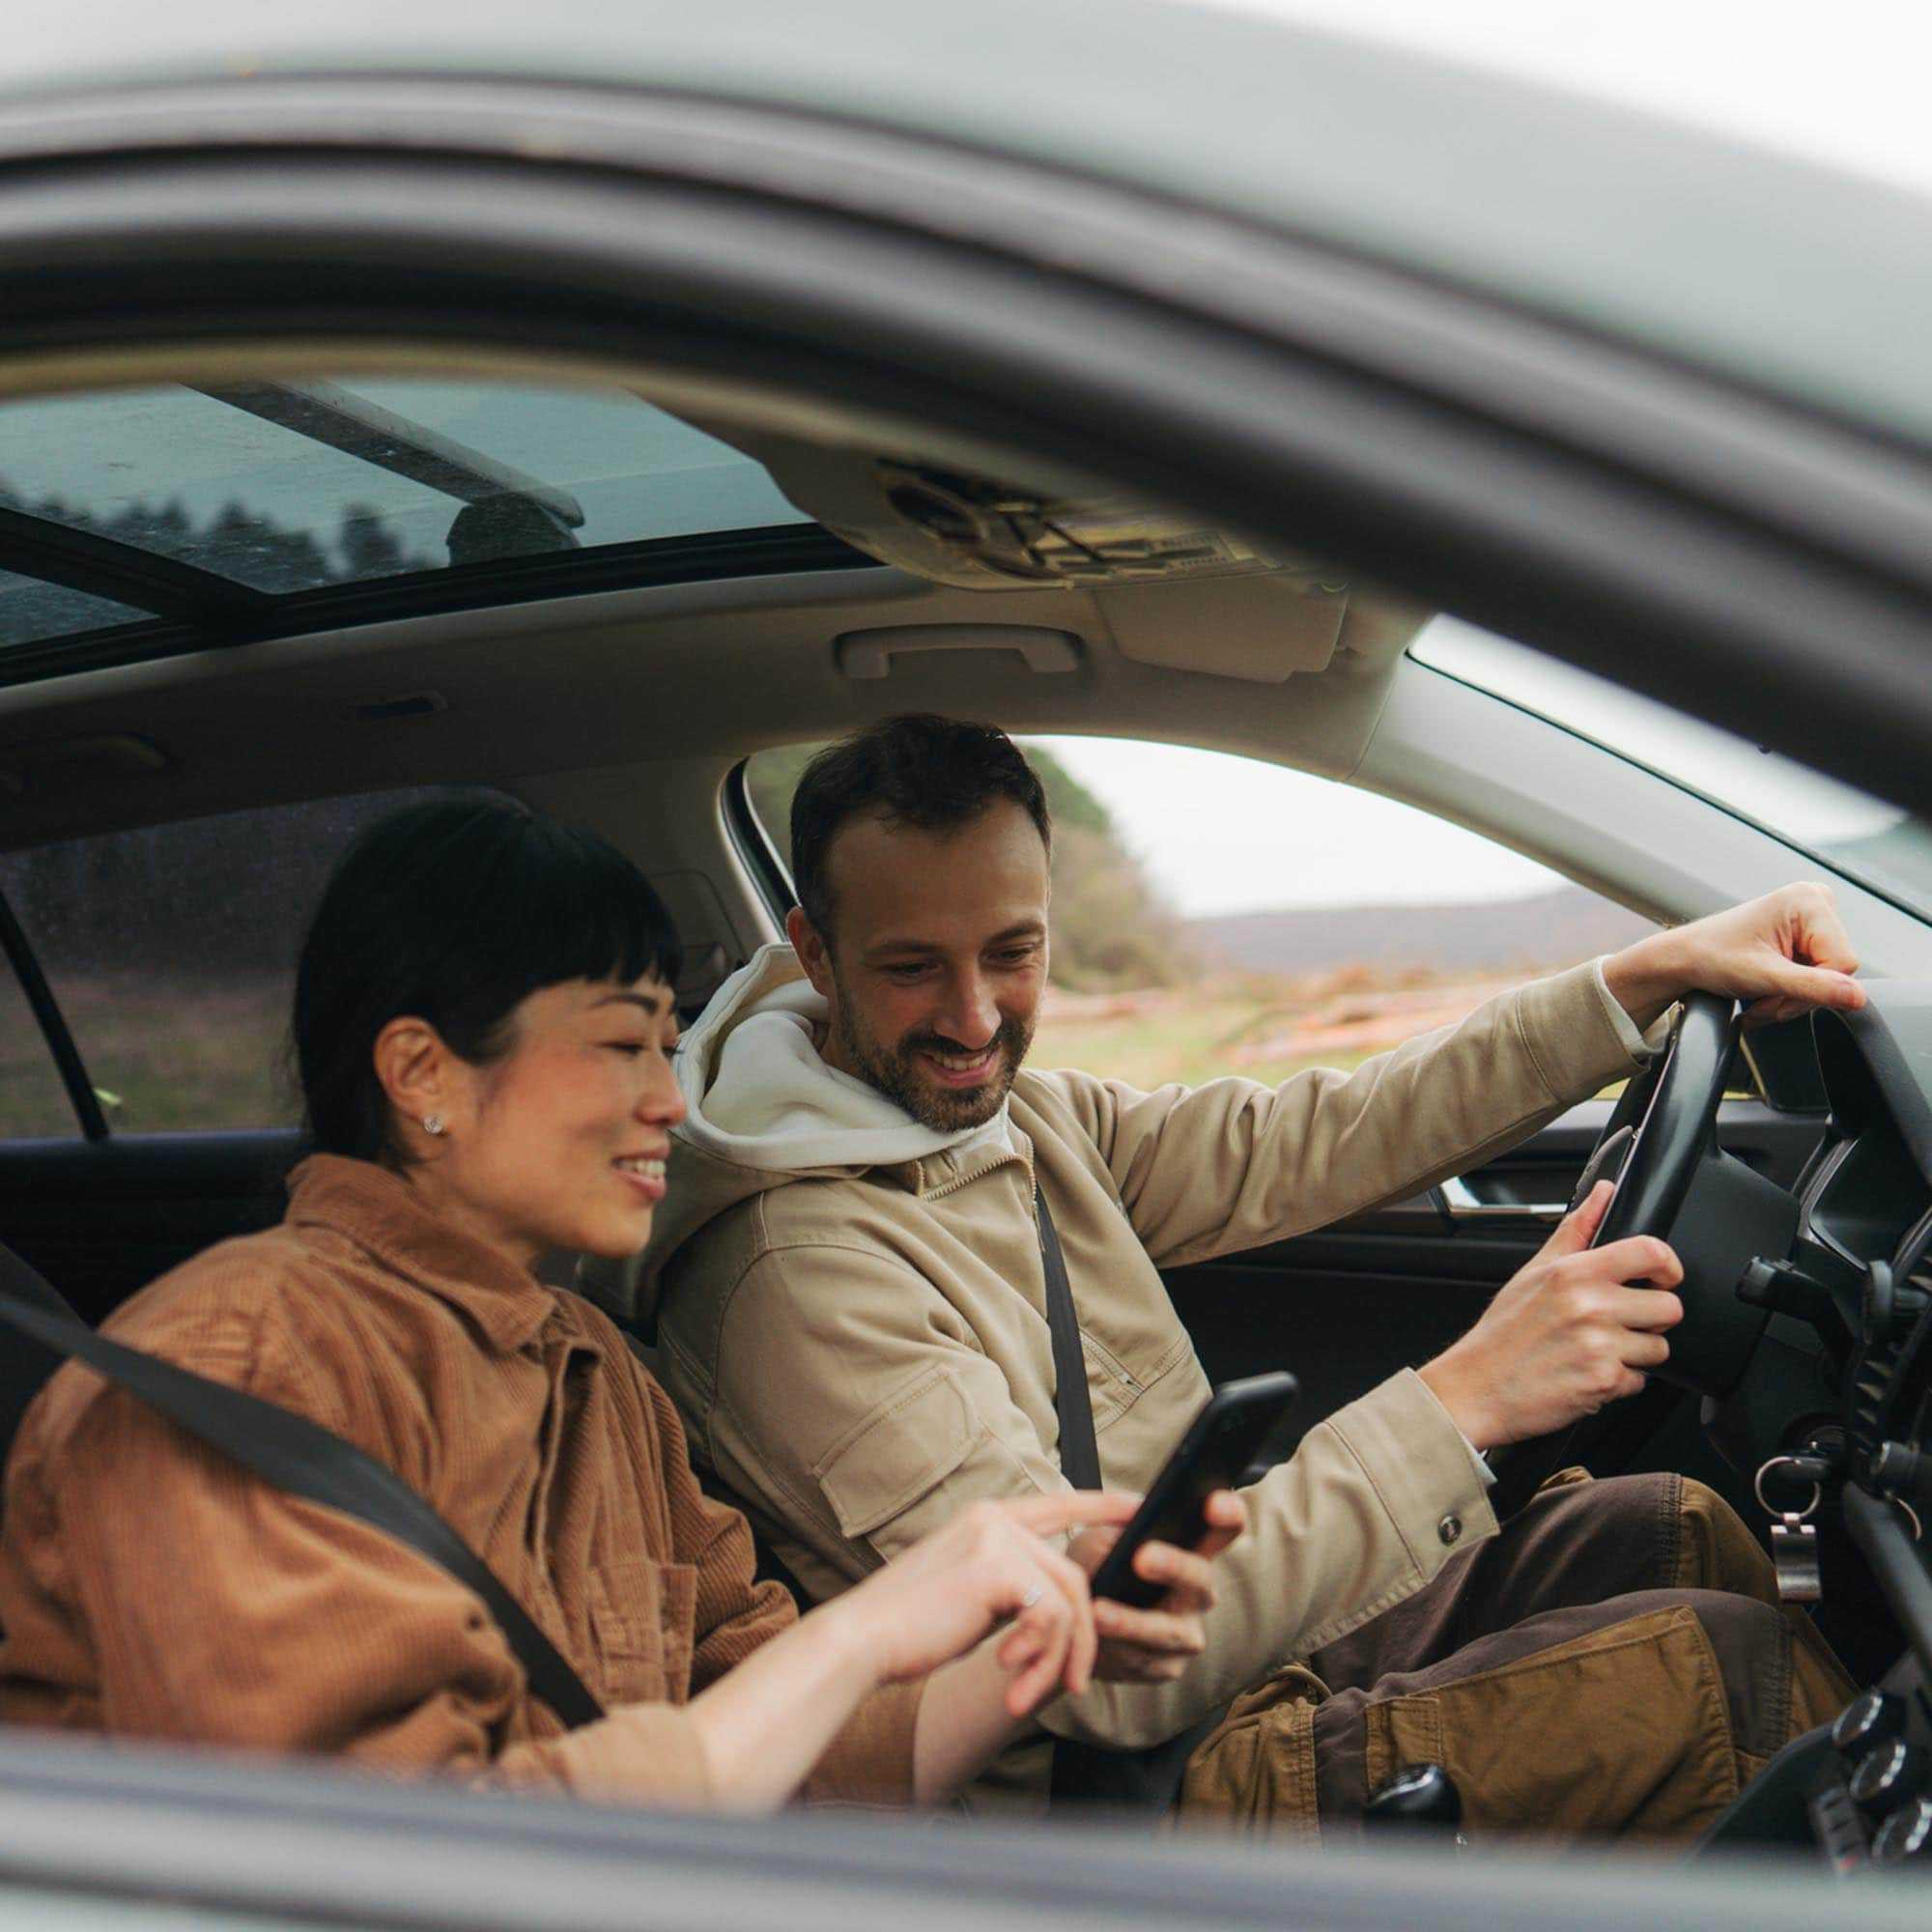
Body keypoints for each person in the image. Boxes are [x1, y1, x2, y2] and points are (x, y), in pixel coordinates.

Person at [640, 714, 1857, 1836]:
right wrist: (1467, 1396)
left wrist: (1635, 981)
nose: (972, 1018)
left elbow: (1320, 1131)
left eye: (1011, 952)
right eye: (912, 966)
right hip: (1108, 1794)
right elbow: (1092, 1661)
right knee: (1724, 1683)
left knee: (1668, 1528)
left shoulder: (1018, 1123)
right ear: (812, 949)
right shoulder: (791, 1274)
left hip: (1226, 1654)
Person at [0, 796, 1242, 1812]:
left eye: (670, 1041)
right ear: (422, 1071)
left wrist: (1038, 1644)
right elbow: (383, 1868)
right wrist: (862, 1631)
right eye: (618, 1045)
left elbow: (786, 1744)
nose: (668, 1097)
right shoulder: (241, 1371)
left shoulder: (595, 1367)